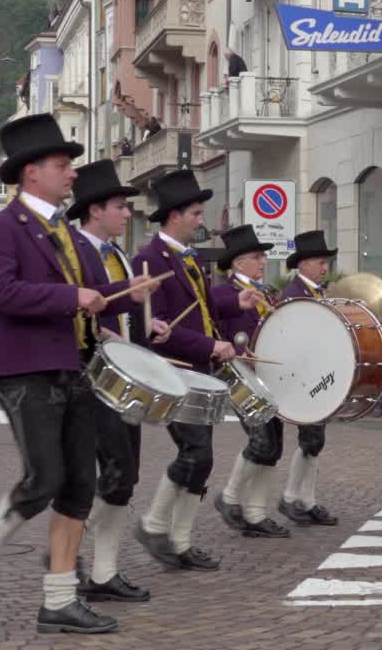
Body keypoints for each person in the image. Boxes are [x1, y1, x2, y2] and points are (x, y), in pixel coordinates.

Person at [0, 113, 159, 635]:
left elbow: (98, 296)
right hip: (26, 372)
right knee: (44, 479)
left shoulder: (67, 235)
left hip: (76, 371)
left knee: (78, 488)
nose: (72, 173)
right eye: (62, 165)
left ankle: (59, 601)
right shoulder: (1, 229)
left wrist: (123, 302)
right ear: (31, 173)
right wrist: (73, 297)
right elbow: (1, 295)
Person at [131, 169, 263, 572]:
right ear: (174, 216)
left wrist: (233, 304)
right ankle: (157, 527)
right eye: (196, 213)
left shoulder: (188, 259)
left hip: (199, 372)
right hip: (173, 372)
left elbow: (201, 308)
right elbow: (158, 330)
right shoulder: (148, 260)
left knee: (200, 458)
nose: (202, 220)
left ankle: (178, 540)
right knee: (196, 452)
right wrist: (212, 345)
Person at [69, 158, 172, 602]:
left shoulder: (118, 258)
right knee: (109, 474)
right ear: (94, 210)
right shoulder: (74, 254)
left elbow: (129, 313)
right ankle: (85, 562)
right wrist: (101, 329)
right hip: (90, 377)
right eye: (119, 206)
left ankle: (96, 566)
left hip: (125, 375)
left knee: (122, 477)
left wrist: (151, 326)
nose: (127, 214)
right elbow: (74, 308)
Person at [213, 224, 293, 539]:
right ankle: (230, 497)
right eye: (256, 257)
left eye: (262, 256)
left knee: (273, 446)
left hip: (270, 376)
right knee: (261, 441)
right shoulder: (222, 293)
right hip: (239, 375)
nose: (263, 262)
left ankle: (257, 514)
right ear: (237, 262)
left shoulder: (269, 292)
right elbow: (215, 330)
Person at [275, 230, 341, 527]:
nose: (324, 266)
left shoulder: (316, 292)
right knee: (311, 438)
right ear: (302, 265)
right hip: (303, 377)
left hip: (316, 373)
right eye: (318, 261)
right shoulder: (293, 295)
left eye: (325, 261)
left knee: (315, 440)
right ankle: (292, 498)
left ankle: (304, 499)